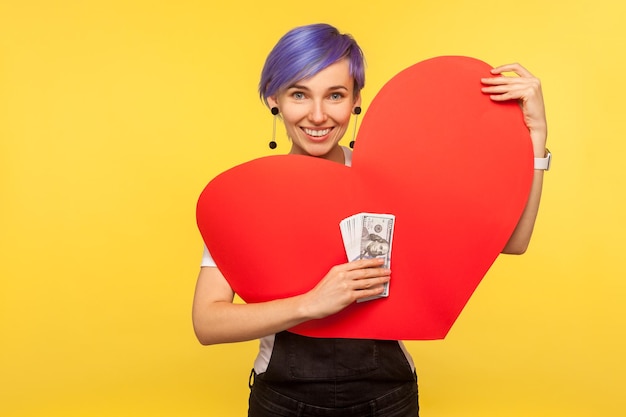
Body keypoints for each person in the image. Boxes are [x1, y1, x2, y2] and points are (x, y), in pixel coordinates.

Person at [192, 23, 548, 417]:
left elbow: (512, 241)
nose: (318, 114)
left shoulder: (397, 177)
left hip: (387, 397)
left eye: (335, 95)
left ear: (356, 99)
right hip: (282, 399)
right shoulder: (248, 194)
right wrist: (310, 304)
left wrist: (535, 138)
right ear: (273, 99)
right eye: (299, 94)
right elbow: (208, 322)